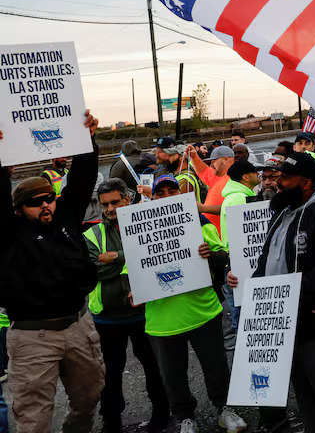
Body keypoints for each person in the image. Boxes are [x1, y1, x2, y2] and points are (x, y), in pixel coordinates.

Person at [231, 151, 315, 433]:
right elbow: (267, 262)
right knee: (305, 395)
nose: (278, 183)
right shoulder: (282, 213)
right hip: (286, 326)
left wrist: (286, 294)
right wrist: (252, 289)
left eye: (285, 178)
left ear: (306, 183)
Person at [0, 110, 104, 433]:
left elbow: (83, 178)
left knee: (88, 400)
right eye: (35, 202)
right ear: (18, 209)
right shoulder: (10, 232)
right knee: (34, 421)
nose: (46, 205)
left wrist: (86, 137)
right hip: (33, 336)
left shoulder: (66, 216)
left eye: (49, 198)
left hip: (78, 325)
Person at [145, 175, 246, 433]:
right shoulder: (141, 229)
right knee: (172, 376)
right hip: (163, 320)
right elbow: (130, 272)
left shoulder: (199, 221)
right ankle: (185, 418)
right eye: (161, 193)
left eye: (173, 191)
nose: (167, 197)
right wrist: (130, 291)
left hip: (203, 311)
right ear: (153, 197)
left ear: (182, 195)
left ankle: (225, 409)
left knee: (216, 367)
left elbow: (223, 256)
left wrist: (209, 255)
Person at [84, 178, 168, 433]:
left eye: (115, 202)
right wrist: (134, 258)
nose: (110, 208)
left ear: (127, 199)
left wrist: (117, 258)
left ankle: (162, 412)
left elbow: (156, 257)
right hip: (108, 318)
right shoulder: (91, 234)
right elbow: (92, 271)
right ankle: (111, 419)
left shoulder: (145, 225)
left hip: (145, 313)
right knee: (110, 374)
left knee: (154, 367)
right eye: (105, 204)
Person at [218, 161, 265, 329]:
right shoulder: (239, 198)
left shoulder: (235, 195)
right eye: (254, 172)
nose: (258, 175)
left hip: (233, 260)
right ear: (246, 177)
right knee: (243, 313)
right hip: (236, 263)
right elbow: (241, 234)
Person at [185, 144, 235, 234]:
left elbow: (231, 208)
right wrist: (194, 156)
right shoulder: (217, 175)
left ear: (226, 159)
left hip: (225, 236)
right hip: (213, 235)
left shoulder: (235, 179)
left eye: (214, 161)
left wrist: (203, 208)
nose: (211, 165)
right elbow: (203, 169)